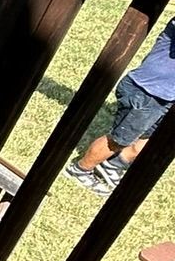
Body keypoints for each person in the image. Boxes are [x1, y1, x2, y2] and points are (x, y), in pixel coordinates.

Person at [65, 17, 175, 195]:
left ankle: (113, 166)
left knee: (148, 139)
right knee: (118, 140)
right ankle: (80, 170)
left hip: (165, 96)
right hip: (146, 92)